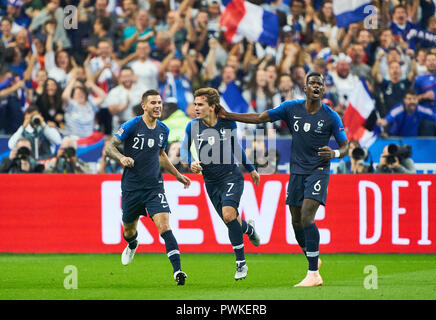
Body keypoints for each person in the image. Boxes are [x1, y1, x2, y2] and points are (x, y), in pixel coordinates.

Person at [218, 72, 349, 287]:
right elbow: (260, 118)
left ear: (323, 90)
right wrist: (229, 115)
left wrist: (334, 154)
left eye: (320, 84)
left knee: (307, 217)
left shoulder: (331, 116)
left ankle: (313, 273)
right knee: (296, 221)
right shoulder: (291, 108)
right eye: (312, 83)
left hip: (318, 171)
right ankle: (313, 258)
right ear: (305, 88)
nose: (316, 86)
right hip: (296, 172)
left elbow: (346, 146)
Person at [105, 89, 190, 285]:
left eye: (159, 102)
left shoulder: (163, 129)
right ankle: (133, 244)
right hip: (132, 188)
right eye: (153, 103)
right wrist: (122, 157)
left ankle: (178, 271)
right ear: (144, 106)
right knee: (128, 231)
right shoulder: (132, 125)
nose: (158, 106)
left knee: (164, 226)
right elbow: (110, 147)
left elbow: (161, 155)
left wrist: (177, 175)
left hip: (154, 187)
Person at [180, 87, 261, 281]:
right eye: (195, 104)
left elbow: (236, 146)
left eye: (200, 104)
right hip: (210, 181)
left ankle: (241, 264)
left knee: (228, 214)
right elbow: (184, 147)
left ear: (212, 106)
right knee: (230, 220)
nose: (196, 108)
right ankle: (249, 230)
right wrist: (190, 161)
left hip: (231, 176)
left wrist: (251, 169)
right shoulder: (192, 126)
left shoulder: (227, 123)